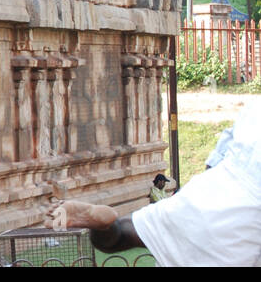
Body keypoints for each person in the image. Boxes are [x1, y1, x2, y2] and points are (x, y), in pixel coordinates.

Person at [46, 97, 261, 266]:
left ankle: (104, 225)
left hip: (204, 195)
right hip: (244, 218)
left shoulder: (253, 110)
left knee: (121, 235)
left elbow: (211, 168)